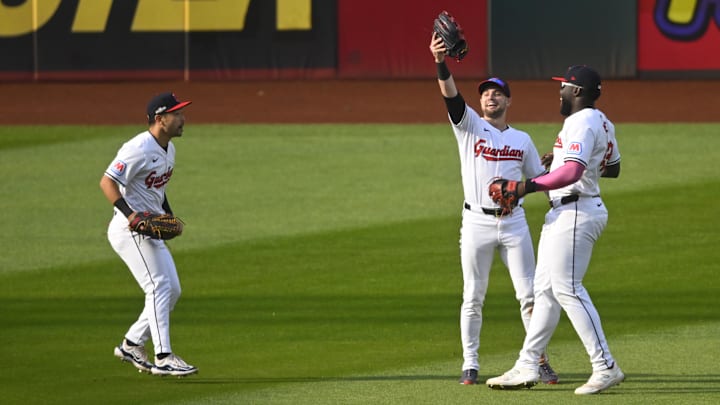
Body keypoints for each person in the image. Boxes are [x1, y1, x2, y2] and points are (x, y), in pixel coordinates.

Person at [429, 32, 558, 385]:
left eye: (497, 92)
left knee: (530, 295)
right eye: (486, 92)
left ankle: (538, 358)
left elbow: (540, 180)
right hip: (476, 223)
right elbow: (451, 98)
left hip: (514, 223)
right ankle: (470, 363)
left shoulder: (522, 140)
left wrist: (554, 170)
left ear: (508, 101)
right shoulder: (469, 126)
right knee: (473, 296)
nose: (490, 96)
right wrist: (440, 62)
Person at [485, 65, 623, 395]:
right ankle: (528, 363)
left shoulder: (581, 121)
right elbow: (613, 167)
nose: (559, 91)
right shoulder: (602, 120)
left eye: (563, 86)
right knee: (544, 291)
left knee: (567, 288)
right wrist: (560, 161)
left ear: (576, 91)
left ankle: (605, 365)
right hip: (571, 210)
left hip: (576, 211)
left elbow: (573, 172)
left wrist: (525, 187)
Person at [100, 92, 198, 377]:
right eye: (177, 114)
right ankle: (164, 356)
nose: (183, 119)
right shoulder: (138, 148)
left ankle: (132, 343)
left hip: (149, 228)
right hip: (129, 230)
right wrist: (131, 215)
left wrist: (167, 214)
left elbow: (158, 190)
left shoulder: (169, 149)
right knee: (158, 288)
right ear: (160, 119)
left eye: (182, 113)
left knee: (172, 291)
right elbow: (107, 182)